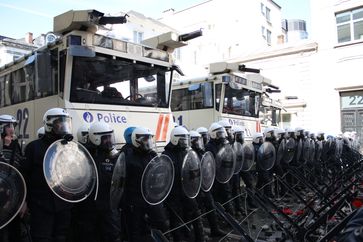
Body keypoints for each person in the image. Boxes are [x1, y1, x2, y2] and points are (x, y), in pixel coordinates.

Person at [22, 108, 73, 242]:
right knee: (41, 238)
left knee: (61, 237)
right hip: (41, 204)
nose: (63, 126)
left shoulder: (69, 147)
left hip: (64, 204)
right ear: (49, 125)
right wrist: (24, 202)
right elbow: (24, 176)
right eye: (59, 123)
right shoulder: (34, 147)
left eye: (66, 123)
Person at [122, 127, 169, 241]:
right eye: (145, 139)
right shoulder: (128, 158)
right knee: (136, 230)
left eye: (149, 139)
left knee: (161, 224)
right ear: (136, 140)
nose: (148, 142)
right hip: (135, 200)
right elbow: (123, 182)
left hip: (152, 198)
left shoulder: (152, 155)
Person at [78, 121, 121, 242]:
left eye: (109, 137)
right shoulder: (83, 154)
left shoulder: (114, 156)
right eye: (105, 138)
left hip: (108, 204)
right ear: (96, 138)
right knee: (89, 235)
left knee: (112, 234)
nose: (109, 140)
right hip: (88, 205)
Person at [163, 126, 206, 242]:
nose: (185, 142)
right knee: (176, 220)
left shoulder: (188, 153)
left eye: (186, 139)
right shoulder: (166, 155)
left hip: (188, 191)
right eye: (182, 139)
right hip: (174, 193)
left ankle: (200, 238)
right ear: (175, 140)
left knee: (195, 214)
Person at [191, 130, 227, 237]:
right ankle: (199, 236)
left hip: (204, 185)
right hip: (193, 188)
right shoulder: (189, 154)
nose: (199, 142)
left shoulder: (202, 152)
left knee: (210, 206)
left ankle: (214, 229)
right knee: (195, 212)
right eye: (196, 141)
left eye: (199, 140)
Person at [0, 114, 27, 242]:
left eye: (12, 125)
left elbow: (19, 172)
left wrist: (23, 202)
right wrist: (4, 147)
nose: (12, 129)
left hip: (13, 198)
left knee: (14, 233)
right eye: (8, 126)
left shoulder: (16, 145)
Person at [205, 122, 236, 216]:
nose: (222, 136)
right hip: (214, 176)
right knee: (217, 196)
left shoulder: (223, 145)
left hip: (223, 174)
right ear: (213, 134)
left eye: (222, 133)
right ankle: (221, 215)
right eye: (219, 134)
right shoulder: (209, 147)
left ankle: (230, 214)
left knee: (227, 193)